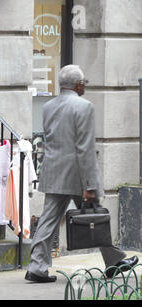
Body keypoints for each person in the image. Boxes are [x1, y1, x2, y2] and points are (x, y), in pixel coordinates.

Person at [25, 65, 138, 283]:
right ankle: (114, 262)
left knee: (48, 220)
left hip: (53, 170)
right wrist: (89, 184)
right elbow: (84, 148)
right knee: (97, 218)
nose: (85, 85)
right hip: (77, 175)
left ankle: (37, 266)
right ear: (78, 85)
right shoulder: (84, 106)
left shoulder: (48, 106)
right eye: (84, 82)